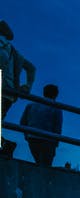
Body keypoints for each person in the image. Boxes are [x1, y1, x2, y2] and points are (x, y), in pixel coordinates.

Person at [0, 20, 37, 158]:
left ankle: (5, 145)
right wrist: (27, 86)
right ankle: (5, 145)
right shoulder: (14, 52)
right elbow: (31, 68)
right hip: (8, 94)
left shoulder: (5, 49)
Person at [20, 84, 61, 166]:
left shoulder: (31, 105)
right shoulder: (56, 107)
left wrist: (26, 135)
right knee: (46, 166)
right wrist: (56, 144)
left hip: (32, 137)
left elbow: (22, 122)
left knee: (38, 162)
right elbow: (57, 127)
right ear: (56, 94)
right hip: (48, 140)